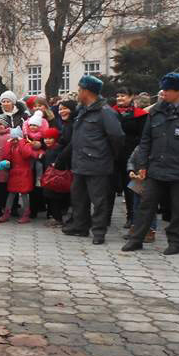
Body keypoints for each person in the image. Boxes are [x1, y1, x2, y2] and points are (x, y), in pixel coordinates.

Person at [123, 73, 179, 255]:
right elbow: (145, 141)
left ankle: (175, 242)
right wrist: (142, 166)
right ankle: (136, 239)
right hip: (155, 168)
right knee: (146, 205)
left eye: (167, 89)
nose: (164, 93)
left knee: (178, 209)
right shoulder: (156, 112)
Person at [61, 75, 124, 245]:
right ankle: (80, 227)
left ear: (87, 91)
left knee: (99, 200)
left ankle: (99, 232)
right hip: (80, 163)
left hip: (98, 164)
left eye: (80, 90)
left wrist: (108, 156)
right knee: (79, 198)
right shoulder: (83, 110)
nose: (78, 93)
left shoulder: (105, 112)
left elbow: (117, 137)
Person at [113, 86, 148, 228]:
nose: (120, 98)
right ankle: (105, 217)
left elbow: (143, 137)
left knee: (131, 188)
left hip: (131, 155)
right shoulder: (111, 112)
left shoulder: (140, 115)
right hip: (114, 154)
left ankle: (131, 217)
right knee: (111, 186)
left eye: (123, 96)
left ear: (131, 97)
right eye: (118, 96)